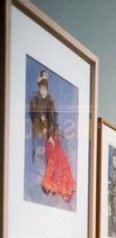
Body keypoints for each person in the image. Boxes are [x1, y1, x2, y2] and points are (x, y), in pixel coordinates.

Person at [29, 70, 76, 201]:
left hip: (51, 134)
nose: (43, 88)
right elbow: (33, 117)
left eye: (45, 85)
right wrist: (41, 125)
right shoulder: (34, 100)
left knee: (59, 157)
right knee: (50, 158)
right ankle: (51, 184)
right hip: (39, 132)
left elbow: (53, 118)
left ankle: (56, 184)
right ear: (39, 85)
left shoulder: (51, 101)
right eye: (42, 85)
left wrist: (50, 134)